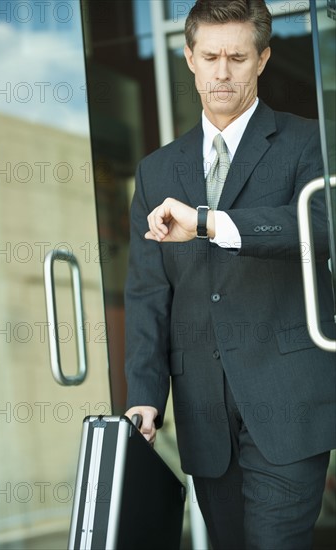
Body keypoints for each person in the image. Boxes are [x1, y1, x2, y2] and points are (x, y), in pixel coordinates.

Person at [124, 1, 336, 548]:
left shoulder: (309, 141)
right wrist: (146, 396)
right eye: (210, 56)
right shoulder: (155, 170)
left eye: (237, 57)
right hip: (203, 411)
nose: (222, 73)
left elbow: (318, 225)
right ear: (189, 58)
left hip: (289, 403)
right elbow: (148, 293)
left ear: (262, 59)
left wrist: (208, 222)